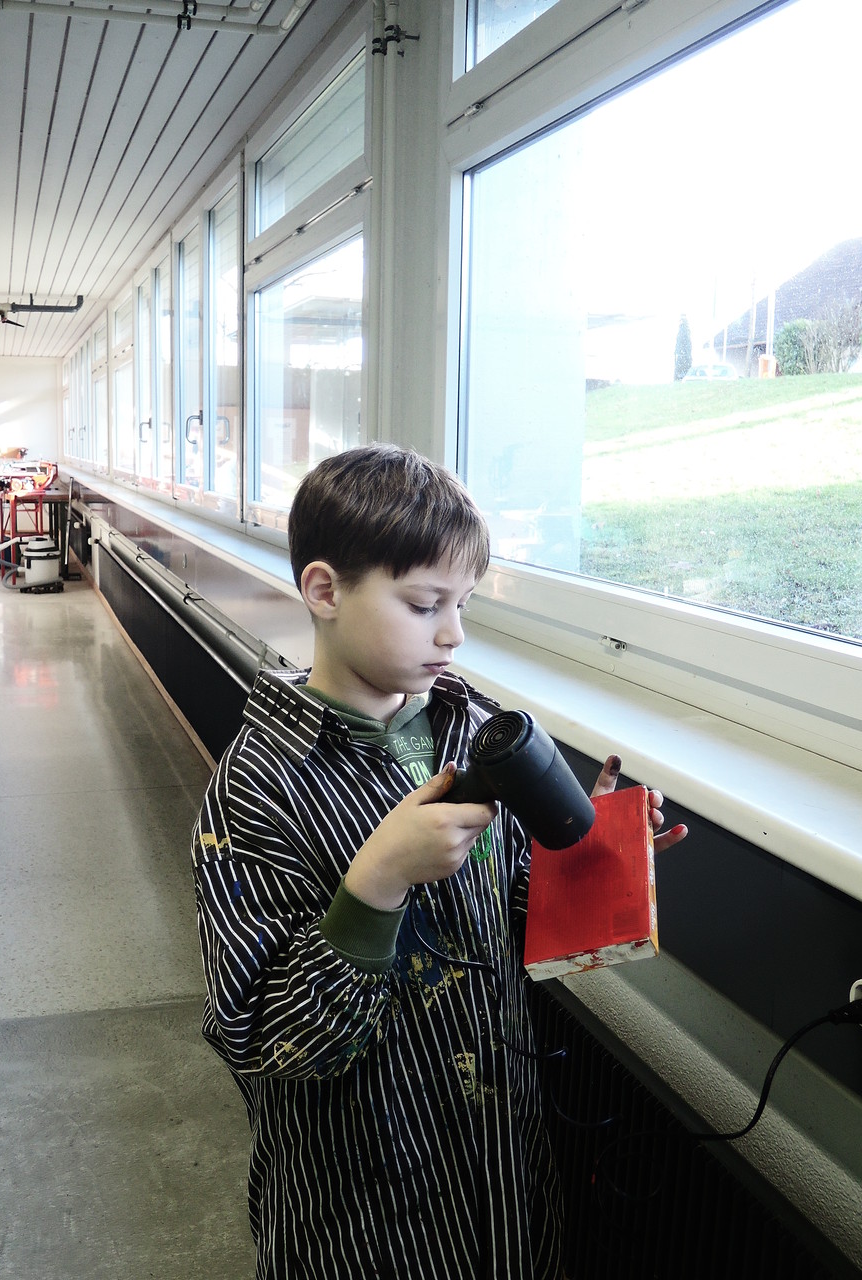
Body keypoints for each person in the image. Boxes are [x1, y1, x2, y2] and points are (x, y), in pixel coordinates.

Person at [191, 444, 687, 1280]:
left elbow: (511, 920)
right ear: (325, 591)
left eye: (463, 604)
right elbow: (263, 1037)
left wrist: (591, 866)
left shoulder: (472, 728)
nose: (454, 634)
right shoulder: (257, 789)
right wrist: (376, 881)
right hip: (363, 1204)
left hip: (501, 1174)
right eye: (425, 605)